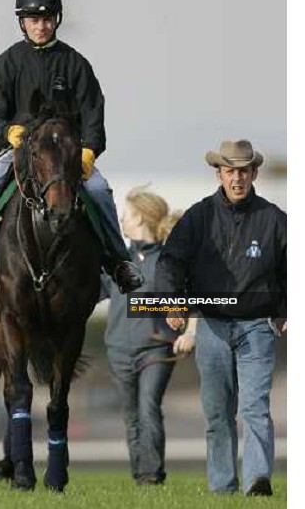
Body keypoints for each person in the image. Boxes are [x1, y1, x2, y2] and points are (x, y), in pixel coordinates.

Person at [0, 0, 144, 297]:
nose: (41, 25)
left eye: (46, 18)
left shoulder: (76, 64)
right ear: (23, 23)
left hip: (67, 153)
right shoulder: (6, 64)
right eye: (33, 19)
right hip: (19, 149)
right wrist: (8, 131)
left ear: (56, 20)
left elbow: (93, 114)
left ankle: (120, 261)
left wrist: (88, 150)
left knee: (100, 190)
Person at [155, 140, 287, 497]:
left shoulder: (274, 219)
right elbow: (170, 262)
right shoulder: (198, 217)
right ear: (220, 174)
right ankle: (222, 488)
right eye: (231, 171)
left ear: (254, 173)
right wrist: (174, 304)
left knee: (254, 407)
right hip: (211, 326)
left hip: (257, 327)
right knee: (217, 415)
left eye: (244, 171)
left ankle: (258, 482)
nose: (238, 178)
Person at [103, 186, 190, 485]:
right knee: (131, 416)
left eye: (126, 215)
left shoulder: (169, 260)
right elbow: (86, 293)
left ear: (139, 217)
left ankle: (152, 475)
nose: (122, 221)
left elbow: (187, 300)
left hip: (156, 348)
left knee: (148, 407)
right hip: (117, 350)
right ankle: (140, 475)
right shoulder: (115, 261)